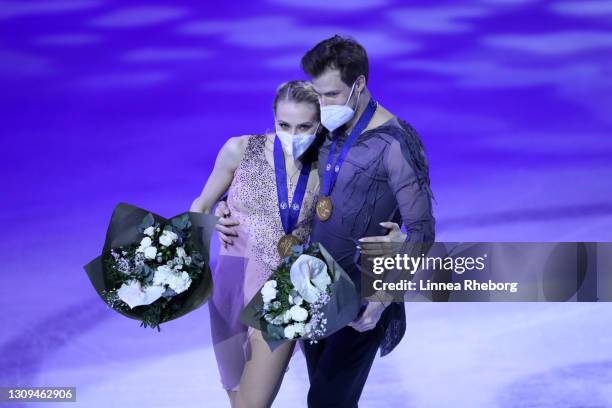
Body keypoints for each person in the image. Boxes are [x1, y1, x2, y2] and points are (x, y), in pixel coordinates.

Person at [217, 35, 436, 407]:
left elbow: (423, 230)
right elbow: (282, 176)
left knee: (326, 401)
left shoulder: (396, 143)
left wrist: (382, 300)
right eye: (317, 95)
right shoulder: (325, 130)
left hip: (361, 295)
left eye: (331, 95)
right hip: (310, 284)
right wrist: (230, 204)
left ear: (359, 85)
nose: (322, 105)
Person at [190, 80, 322, 408]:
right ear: (273, 118)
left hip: (285, 289)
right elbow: (202, 205)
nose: (294, 134)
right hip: (230, 283)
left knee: (252, 404)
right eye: (284, 125)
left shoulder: (327, 167)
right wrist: (212, 224)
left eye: (305, 126)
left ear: (320, 122)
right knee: (237, 395)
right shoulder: (240, 149)